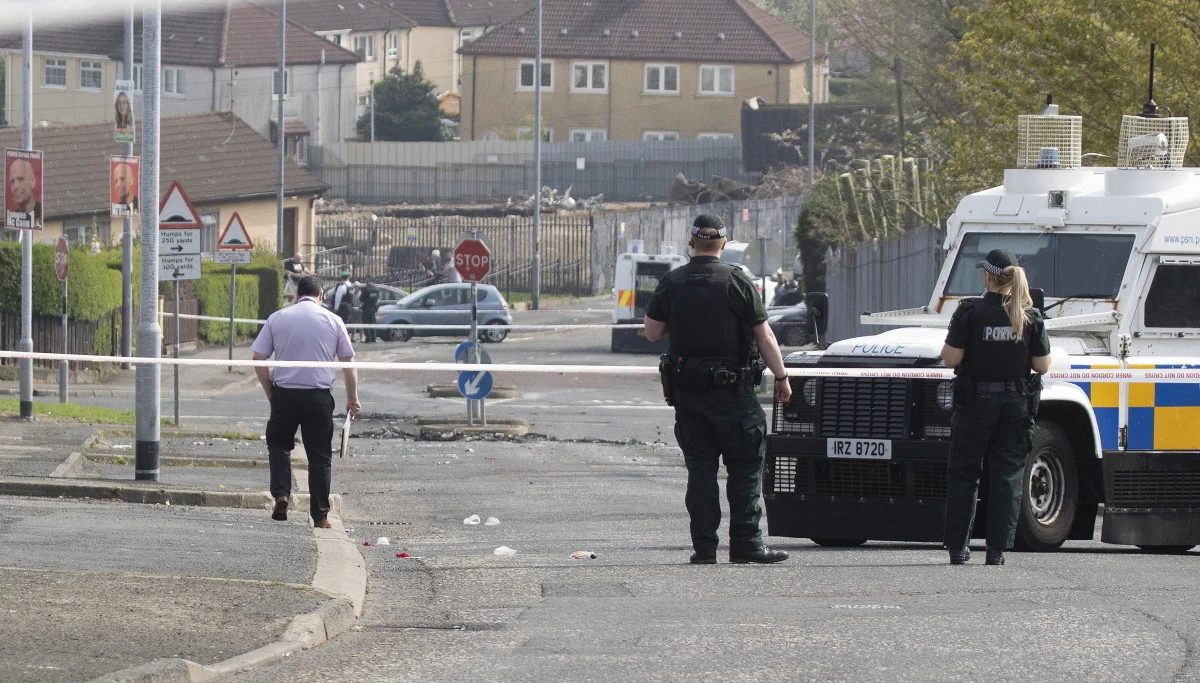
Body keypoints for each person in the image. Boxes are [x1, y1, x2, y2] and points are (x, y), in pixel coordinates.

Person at [643, 213, 794, 565]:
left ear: (691, 243)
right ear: (724, 244)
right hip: (734, 396)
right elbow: (764, 336)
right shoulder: (737, 281)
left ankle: (704, 548)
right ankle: (746, 544)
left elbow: (652, 332)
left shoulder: (672, 282)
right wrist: (782, 377)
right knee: (745, 467)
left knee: (700, 470)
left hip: (689, 395)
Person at [940, 248, 1051, 566]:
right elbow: (1042, 365)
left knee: (965, 473)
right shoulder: (1029, 315)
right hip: (1015, 405)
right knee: (1007, 475)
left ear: (987, 276)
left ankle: (958, 548)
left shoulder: (969, 311)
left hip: (975, 404)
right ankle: (996, 550)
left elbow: (951, 359)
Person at [251, 275, 360, 528]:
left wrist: (270, 391)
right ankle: (320, 516)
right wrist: (352, 398)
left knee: (279, 445)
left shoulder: (277, 318)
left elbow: (258, 358)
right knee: (320, 455)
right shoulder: (334, 320)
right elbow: (348, 364)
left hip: (285, 394)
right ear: (321, 296)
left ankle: (281, 495)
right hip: (318, 397)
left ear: (297, 295)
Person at [7, 157, 41, 224]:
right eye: (12, 181)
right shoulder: (12, 218)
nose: (15, 186)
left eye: (20, 179)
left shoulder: (41, 212)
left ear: (32, 181)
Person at [361, 275, 381, 343]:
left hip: (366, 308)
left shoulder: (365, 289)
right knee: (373, 322)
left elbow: (361, 298)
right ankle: (373, 337)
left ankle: (368, 337)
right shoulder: (376, 289)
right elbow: (377, 298)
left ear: (366, 281)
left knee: (365, 322)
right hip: (373, 308)